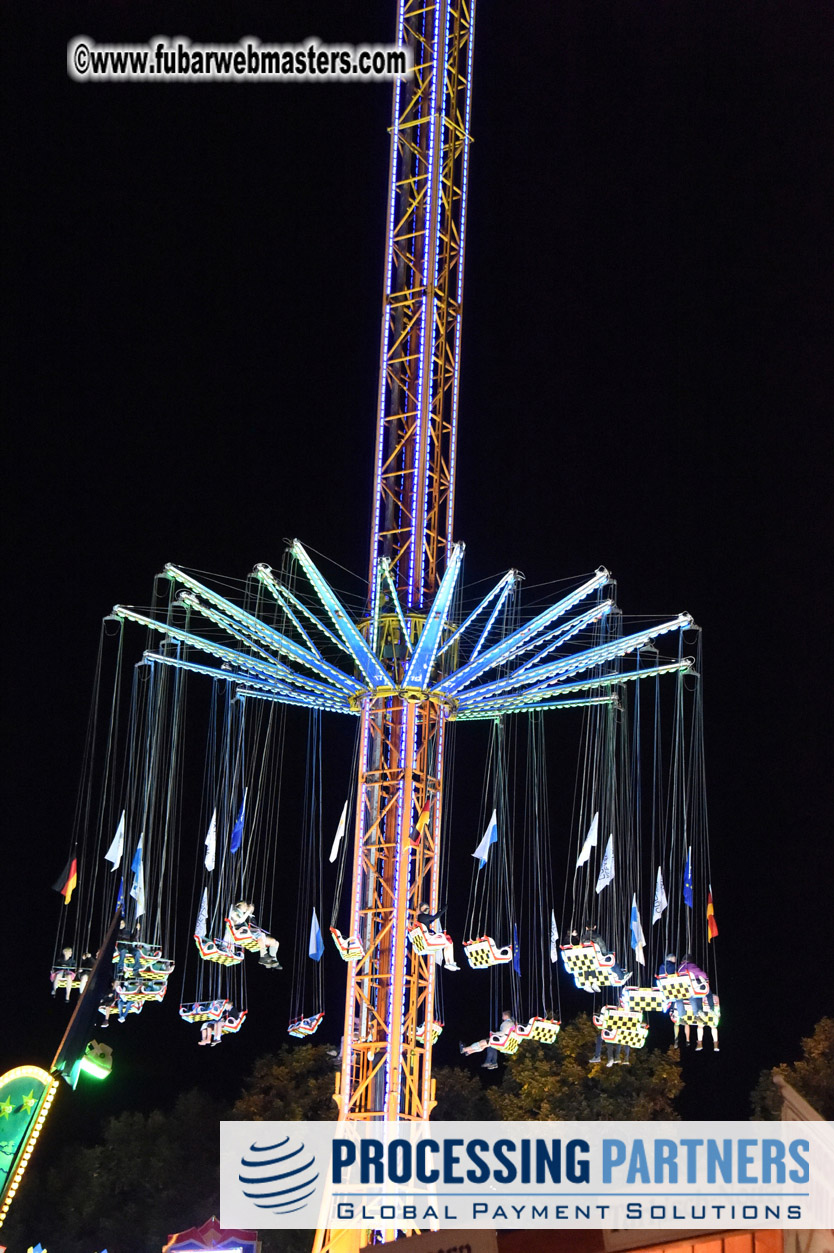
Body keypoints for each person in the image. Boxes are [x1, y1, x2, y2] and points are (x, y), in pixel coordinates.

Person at [229, 900, 281, 968]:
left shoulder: (243, 914)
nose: (246, 907)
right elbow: (239, 921)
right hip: (241, 932)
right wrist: (248, 911)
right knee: (259, 935)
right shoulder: (234, 912)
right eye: (245, 905)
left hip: (247, 932)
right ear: (239, 905)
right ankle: (263, 955)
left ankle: (272, 960)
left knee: (275, 942)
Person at [416, 902, 459, 970]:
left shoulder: (421, 918)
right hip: (428, 939)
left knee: (448, 941)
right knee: (449, 943)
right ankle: (450, 962)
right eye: (425, 908)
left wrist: (439, 912)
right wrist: (443, 910)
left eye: (428, 908)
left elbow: (431, 920)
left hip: (427, 937)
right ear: (421, 909)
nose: (427, 909)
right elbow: (435, 917)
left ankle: (449, 962)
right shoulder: (422, 916)